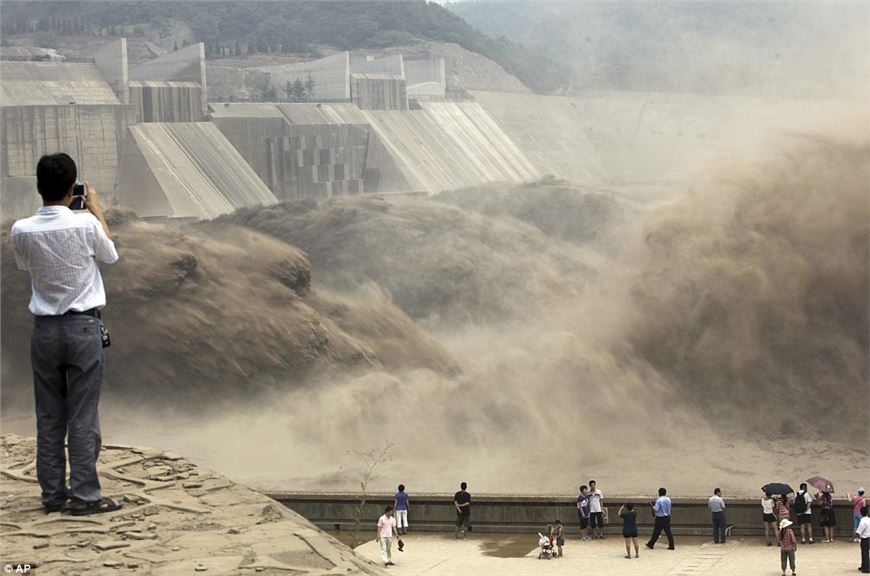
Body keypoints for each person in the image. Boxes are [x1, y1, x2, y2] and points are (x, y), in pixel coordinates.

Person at [11, 153, 121, 516]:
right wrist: (95, 209)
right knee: (83, 416)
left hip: (44, 332)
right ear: (73, 186)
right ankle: (86, 496)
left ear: (38, 187)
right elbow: (110, 256)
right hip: (83, 328)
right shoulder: (87, 224)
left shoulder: (21, 229)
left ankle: (53, 495)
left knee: (49, 416)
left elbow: (25, 264)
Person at [856, 506, 870, 574]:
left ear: (861, 513)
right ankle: (864, 565)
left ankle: (866, 568)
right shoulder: (869, 520)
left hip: (865, 539)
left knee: (864, 553)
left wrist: (857, 538)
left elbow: (858, 532)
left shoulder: (862, 522)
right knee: (866, 553)